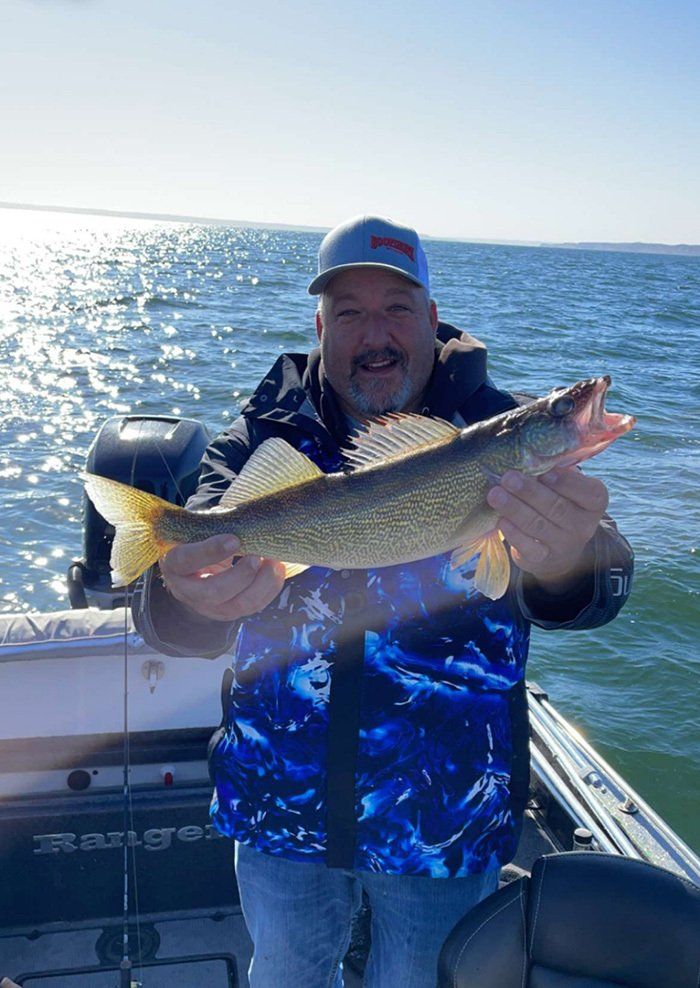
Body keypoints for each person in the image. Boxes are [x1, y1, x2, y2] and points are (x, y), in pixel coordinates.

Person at [134, 215, 634, 987]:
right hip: (279, 809)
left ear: (433, 320)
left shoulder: (497, 429)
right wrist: (189, 593)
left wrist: (568, 560)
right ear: (319, 327)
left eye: (398, 308)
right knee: (287, 974)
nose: (376, 333)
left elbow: (599, 586)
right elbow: (165, 618)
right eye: (350, 312)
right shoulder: (258, 437)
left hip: (443, 816)